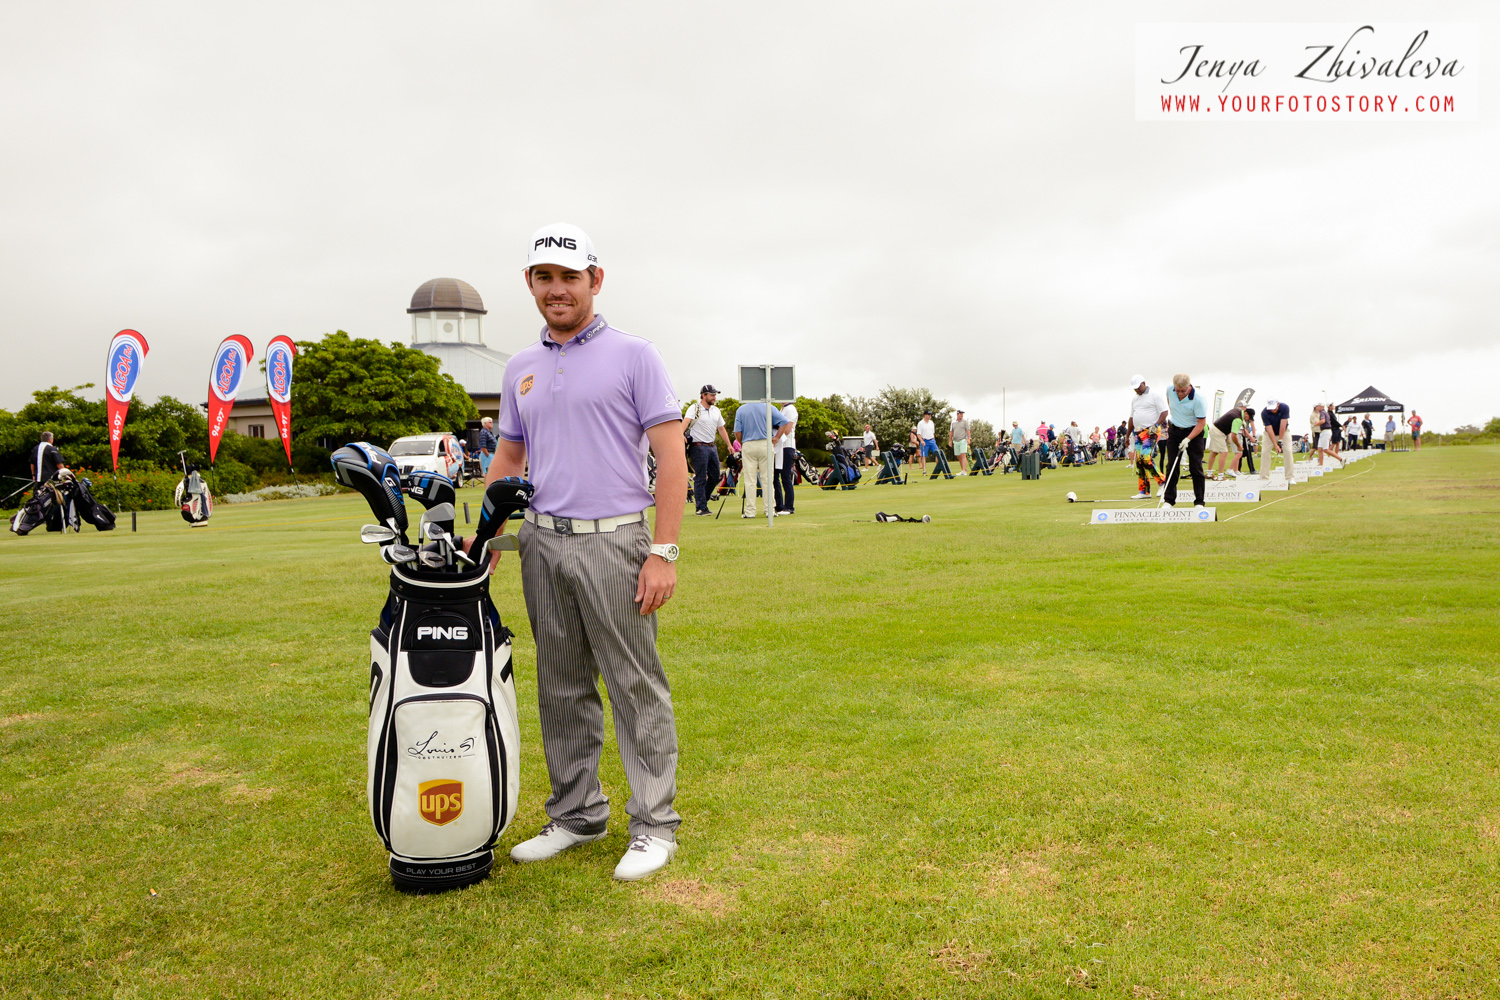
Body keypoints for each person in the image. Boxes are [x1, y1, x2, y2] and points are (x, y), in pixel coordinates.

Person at [487, 222, 687, 882]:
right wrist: (488, 536)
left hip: (617, 540)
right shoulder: (520, 367)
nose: (557, 289)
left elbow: (671, 456)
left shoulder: (635, 355)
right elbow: (509, 457)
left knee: (634, 685)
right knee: (560, 685)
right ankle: (577, 814)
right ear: (530, 283)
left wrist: (663, 551)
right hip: (542, 542)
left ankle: (653, 825)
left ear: (594, 280)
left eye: (570, 277)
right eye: (544, 277)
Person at [681, 385, 733, 516]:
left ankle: (702, 498)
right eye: (712, 395)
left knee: (715, 476)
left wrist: (729, 445)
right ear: (704, 395)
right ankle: (701, 507)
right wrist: (680, 434)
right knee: (701, 477)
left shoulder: (716, 410)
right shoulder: (695, 408)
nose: (714, 397)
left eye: (715, 395)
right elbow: (686, 422)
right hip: (698, 446)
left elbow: (721, 428)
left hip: (711, 446)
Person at [1160, 374, 1208, 509]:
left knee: (1195, 466)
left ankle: (1199, 502)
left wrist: (1188, 438)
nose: (1180, 394)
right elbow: (1170, 403)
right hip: (1174, 430)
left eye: (1183, 391)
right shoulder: (1169, 389)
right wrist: (1176, 418)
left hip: (1194, 431)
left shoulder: (1198, 399)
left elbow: (1201, 423)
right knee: (1171, 466)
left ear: (1189, 386)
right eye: (1178, 390)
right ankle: (1169, 500)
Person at [734, 399, 787, 519]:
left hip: (748, 443)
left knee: (750, 480)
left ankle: (750, 511)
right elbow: (784, 422)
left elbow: (738, 432)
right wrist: (777, 437)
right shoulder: (769, 407)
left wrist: (742, 443)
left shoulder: (741, 409)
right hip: (765, 443)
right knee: (767, 478)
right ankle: (769, 510)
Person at [1126, 375, 1168, 499]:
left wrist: (1156, 425)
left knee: (1145, 458)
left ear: (1143, 383)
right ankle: (1144, 491)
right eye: (1134, 388)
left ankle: (1163, 482)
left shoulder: (1154, 395)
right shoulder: (1135, 400)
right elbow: (1131, 418)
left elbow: (1164, 412)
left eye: (1138, 387)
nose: (1137, 390)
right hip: (1138, 432)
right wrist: (1127, 435)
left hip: (1151, 431)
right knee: (1139, 461)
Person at [1258, 397, 1294, 484]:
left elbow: (1283, 425)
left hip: (1284, 432)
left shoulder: (1285, 407)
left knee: (1288, 451)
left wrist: (1280, 440)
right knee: (1265, 452)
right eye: (1271, 408)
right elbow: (1269, 429)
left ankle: (1289, 477)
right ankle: (1263, 478)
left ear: (1278, 404)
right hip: (1269, 434)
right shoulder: (1264, 413)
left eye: (1274, 407)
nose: (1273, 410)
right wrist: (1275, 444)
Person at [773, 399, 798, 515]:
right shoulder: (782, 409)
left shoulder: (791, 409)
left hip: (787, 446)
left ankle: (789, 506)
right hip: (779, 446)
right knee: (775, 476)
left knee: (785, 476)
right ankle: (779, 505)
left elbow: (787, 430)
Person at [1206, 404, 1242, 481]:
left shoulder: (1235, 411)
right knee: (1224, 452)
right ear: (1246, 414)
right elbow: (1234, 435)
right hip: (1218, 432)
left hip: (1214, 429)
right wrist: (1239, 446)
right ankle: (1220, 476)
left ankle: (1209, 473)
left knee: (1214, 452)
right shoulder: (1238, 419)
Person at [916, 410, 939, 475]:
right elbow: (918, 434)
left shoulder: (931, 423)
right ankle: (924, 470)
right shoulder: (920, 423)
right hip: (924, 440)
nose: (929, 416)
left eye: (930, 415)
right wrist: (922, 441)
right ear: (925, 415)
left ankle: (938, 468)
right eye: (928, 415)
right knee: (924, 456)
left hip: (931, 440)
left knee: (937, 453)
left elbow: (933, 432)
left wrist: (934, 439)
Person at [949, 409, 970, 475]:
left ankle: (964, 470)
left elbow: (968, 430)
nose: (961, 415)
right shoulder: (953, 422)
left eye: (962, 414)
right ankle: (963, 470)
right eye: (960, 414)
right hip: (956, 441)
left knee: (963, 454)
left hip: (963, 440)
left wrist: (968, 439)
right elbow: (951, 432)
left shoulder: (964, 422)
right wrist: (950, 440)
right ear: (957, 414)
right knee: (958, 456)